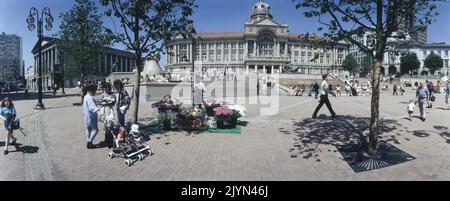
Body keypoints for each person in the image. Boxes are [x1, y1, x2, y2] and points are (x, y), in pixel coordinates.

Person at [99, 83, 116, 149]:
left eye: (107, 87)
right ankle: (108, 141)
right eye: (105, 87)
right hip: (105, 111)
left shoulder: (112, 94)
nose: (106, 89)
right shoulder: (103, 94)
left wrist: (110, 103)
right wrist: (104, 101)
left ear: (109, 87)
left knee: (111, 126)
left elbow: (114, 103)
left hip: (111, 111)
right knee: (106, 126)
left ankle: (111, 141)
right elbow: (100, 103)